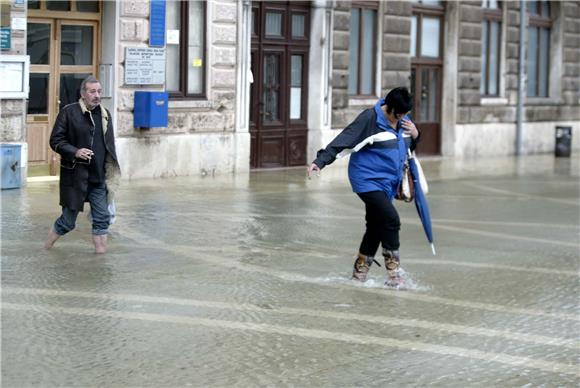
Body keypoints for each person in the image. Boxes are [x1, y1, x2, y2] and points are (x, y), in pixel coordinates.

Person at [307, 87, 420, 287]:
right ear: (389, 108)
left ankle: (359, 275)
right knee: (391, 219)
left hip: (388, 183)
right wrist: (320, 161)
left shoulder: (403, 121)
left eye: (405, 114)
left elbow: (406, 148)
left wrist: (416, 134)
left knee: (375, 226)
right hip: (366, 180)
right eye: (399, 114)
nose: (402, 118)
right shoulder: (370, 119)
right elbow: (344, 139)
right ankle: (394, 275)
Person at [43, 76, 121, 254]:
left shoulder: (105, 114)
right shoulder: (69, 112)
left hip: (99, 178)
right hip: (76, 178)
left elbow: (109, 146)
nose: (97, 95)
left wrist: (111, 173)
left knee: (102, 219)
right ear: (83, 93)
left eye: (99, 91)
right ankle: (45, 249)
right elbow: (55, 140)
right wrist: (75, 151)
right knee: (67, 222)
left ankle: (100, 260)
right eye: (92, 91)